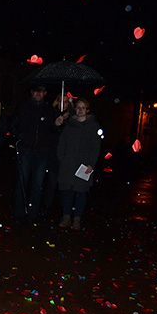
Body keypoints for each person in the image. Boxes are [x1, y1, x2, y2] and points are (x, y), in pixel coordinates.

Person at [10, 85, 61, 224]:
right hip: (26, 150)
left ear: (45, 93)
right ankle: (19, 213)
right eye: (36, 91)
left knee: (37, 184)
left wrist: (56, 125)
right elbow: (13, 125)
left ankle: (33, 214)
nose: (38, 94)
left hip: (42, 152)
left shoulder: (50, 110)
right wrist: (21, 136)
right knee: (22, 182)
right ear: (32, 92)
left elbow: (53, 130)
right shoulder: (23, 107)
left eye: (41, 91)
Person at [56, 98, 102, 230]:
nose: (80, 110)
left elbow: (95, 147)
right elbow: (62, 144)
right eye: (78, 107)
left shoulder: (93, 126)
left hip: (84, 165)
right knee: (67, 191)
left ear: (87, 110)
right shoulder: (69, 125)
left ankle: (77, 218)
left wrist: (91, 164)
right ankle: (66, 216)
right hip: (68, 164)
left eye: (83, 108)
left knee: (80, 192)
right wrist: (62, 158)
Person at [42, 94, 72, 220]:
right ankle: (46, 209)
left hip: (67, 155)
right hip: (53, 155)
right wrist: (55, 125)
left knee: (65, 185)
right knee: (51, 183)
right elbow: (46, 133)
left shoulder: (71, 117)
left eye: (65, 102)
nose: (62, 104)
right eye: (60, 101)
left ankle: (64, 212)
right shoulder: (50, 114)